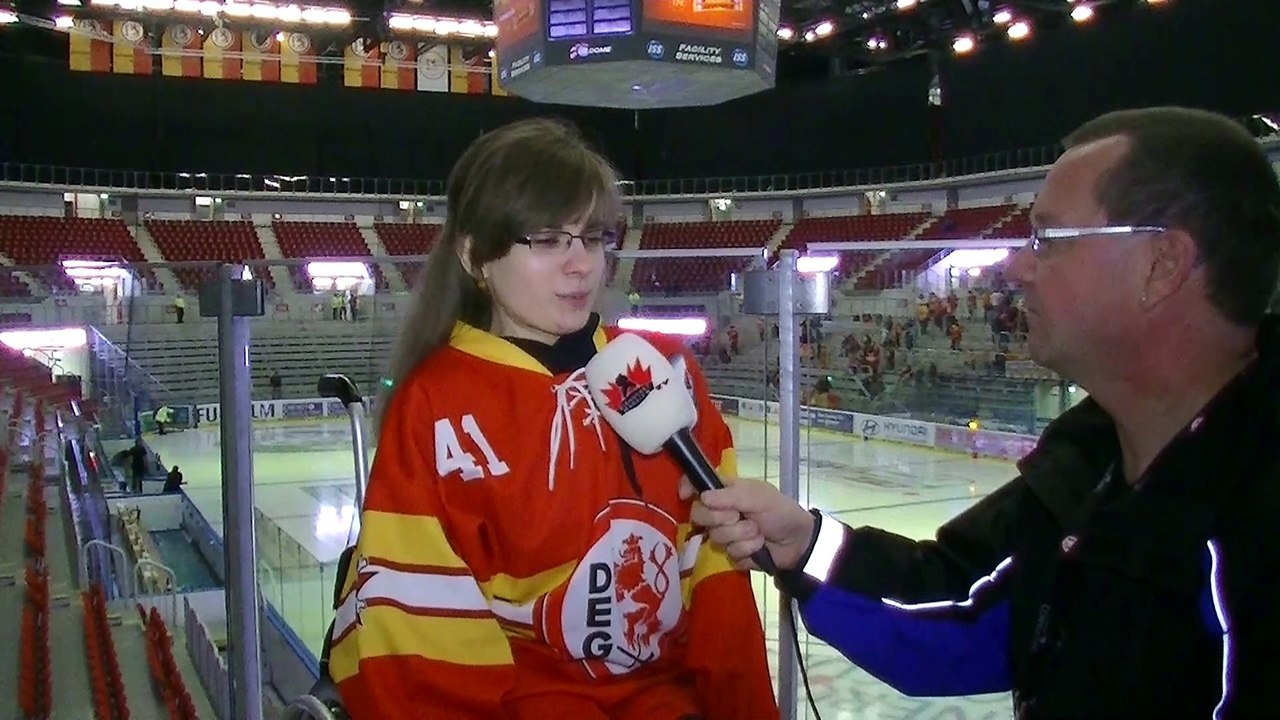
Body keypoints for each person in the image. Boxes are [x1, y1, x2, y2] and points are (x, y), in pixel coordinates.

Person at [684, 107, 1280, 718]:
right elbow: (960, 614)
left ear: (1161, 264)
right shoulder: (1086, 461)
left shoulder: (1258, 518)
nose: (1016, 266)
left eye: (1047, 239)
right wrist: (807, 545)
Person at [331, 118, 777, 719]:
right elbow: (416, 647)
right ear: (474, 256)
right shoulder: (433, 405)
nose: (581, 265)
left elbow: (718, 591)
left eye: (591, 237)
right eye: (546, 240)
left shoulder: (666, 369)